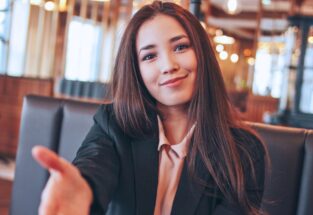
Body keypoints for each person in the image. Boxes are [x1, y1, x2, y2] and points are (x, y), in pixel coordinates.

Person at [32, 1, 267, 215]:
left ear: (202, 54)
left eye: (180, 47)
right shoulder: (114, 124)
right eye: (149, 56)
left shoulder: (243, 151)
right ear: (136, 70)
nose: (168, 66)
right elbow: (94, 165)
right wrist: (83, 190)